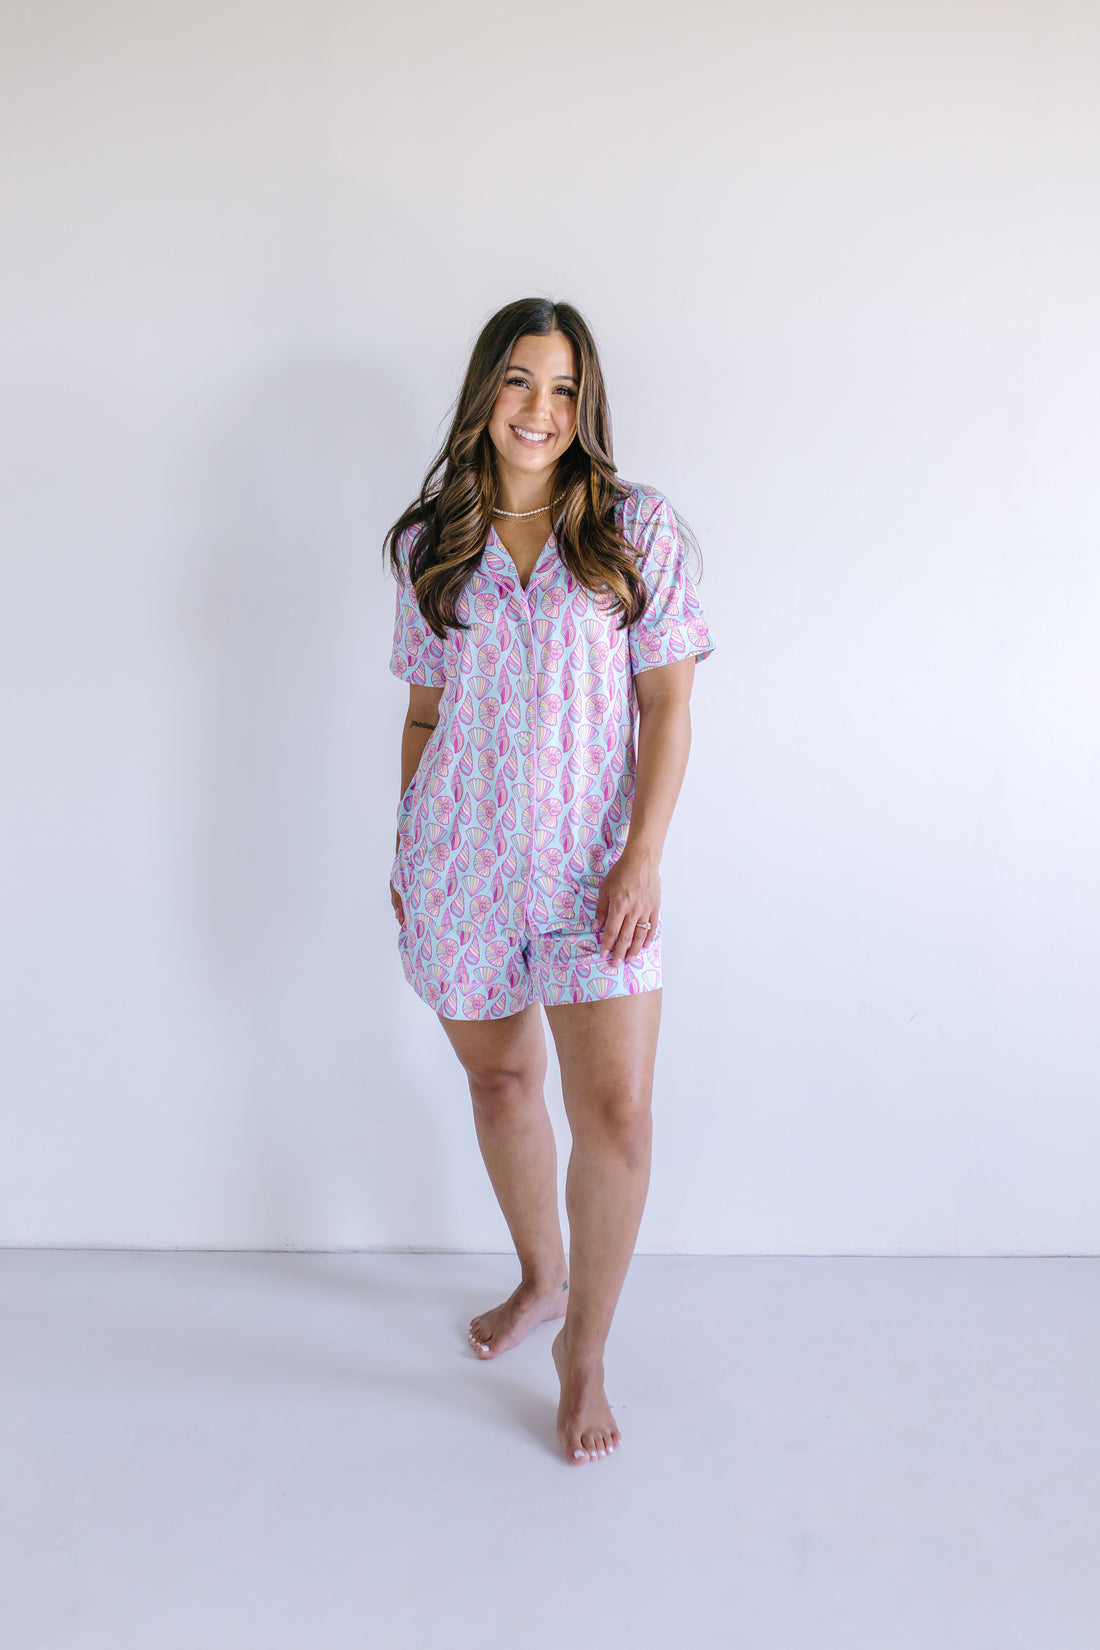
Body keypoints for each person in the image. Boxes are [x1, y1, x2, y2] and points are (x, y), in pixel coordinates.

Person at [384, 298, 715, 1466]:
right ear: (486, 391)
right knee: (498, 1085)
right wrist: (404, 846)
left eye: (564, 388)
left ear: (587, 403)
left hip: (595, 872)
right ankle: (538, 1279)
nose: (540, 410)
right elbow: (423, 713)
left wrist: (641, 856)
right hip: (457, 862)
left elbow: (666, 704)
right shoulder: (432, 544)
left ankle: (584, 1349)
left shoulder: (632, 528)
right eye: (520, 382)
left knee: (615, 1116)